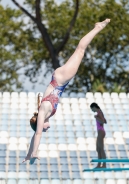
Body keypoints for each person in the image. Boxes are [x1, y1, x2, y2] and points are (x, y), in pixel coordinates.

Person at [22, 19, 110, 164]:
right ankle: (97, 28)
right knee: (79, 52)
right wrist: (28, 154)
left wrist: (35, 152)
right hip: (60, 79)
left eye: (43, 129)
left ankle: (97, 28)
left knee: (80, 51)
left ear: (40, 122)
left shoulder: (44, 110)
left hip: (60, 79)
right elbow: (35, 135)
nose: (45, 130)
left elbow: (37, 134)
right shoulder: (44, 115)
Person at [90, 102, 107, 168]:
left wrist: (96, 118)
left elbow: (102, 121)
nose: (92, 110)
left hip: (101, 131)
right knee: (98, 149)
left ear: (94, 107)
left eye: (92, 109)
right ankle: (99, 164)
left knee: (101, 149)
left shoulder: (99, 113)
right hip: (100, 131)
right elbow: (105, 121)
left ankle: (104, 165)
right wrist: (98, 117)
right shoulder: (100, 112)